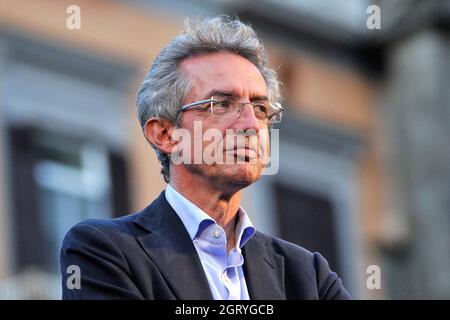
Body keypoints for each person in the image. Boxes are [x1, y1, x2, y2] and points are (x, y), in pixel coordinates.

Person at [60, 15, 350, 300]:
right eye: (222, 104)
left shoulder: (309, 276)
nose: (250, 125)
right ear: (164, 134)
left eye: (260, 108)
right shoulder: (104, 251)